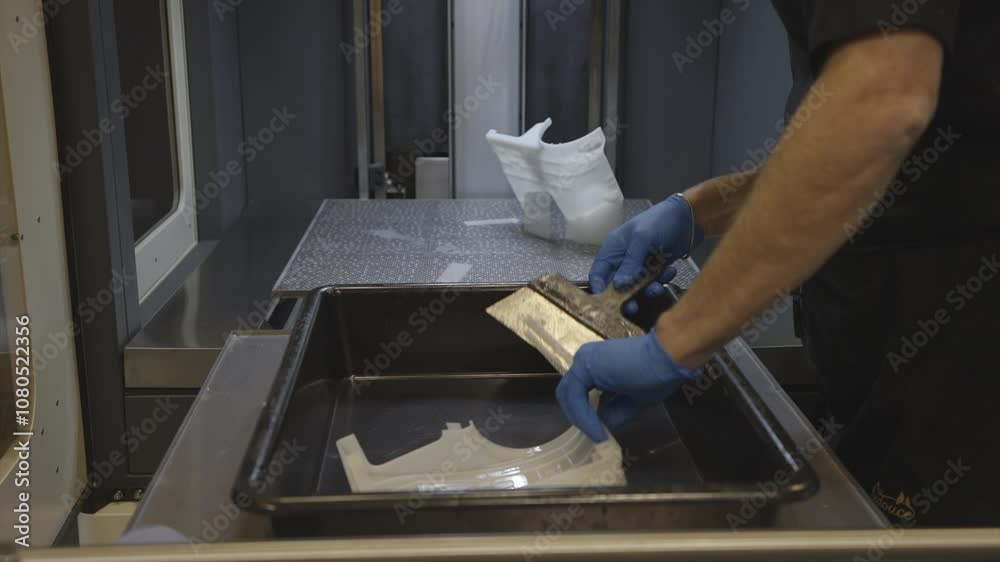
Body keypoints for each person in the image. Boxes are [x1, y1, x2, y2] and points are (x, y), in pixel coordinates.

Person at [557, 0, 1000, 527]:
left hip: (959, 360)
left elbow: (881, 105)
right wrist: (702, 209)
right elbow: (859, 151)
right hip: (885, 346)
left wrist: (676, 342)